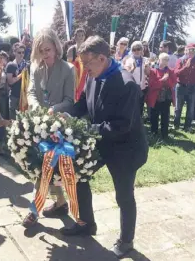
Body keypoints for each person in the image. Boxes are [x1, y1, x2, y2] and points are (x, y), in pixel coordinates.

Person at [68, 36, 148, 258]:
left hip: (125, 149)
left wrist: (88, 130)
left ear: (102, 58)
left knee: (123, 195)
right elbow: (84, 101)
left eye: (87, 63)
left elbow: (122, 126)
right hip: (102, 143)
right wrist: (66, 114)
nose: (84, 69)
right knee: (78, 175)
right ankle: (87, 223)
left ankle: (126, 241)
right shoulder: (94, 75)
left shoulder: (127, 84)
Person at [22, 27, 75, 228]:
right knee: (44, 168)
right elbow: (32, 92)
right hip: (38, 122)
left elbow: (70, 100)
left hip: (59, 124)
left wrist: (53, 110)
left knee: (45, 168)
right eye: (41, 50)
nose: (45, 54)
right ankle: (61, 203)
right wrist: (36, 108)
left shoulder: (68, 69)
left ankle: (33, 212)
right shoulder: (35, 68)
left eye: (48, 49)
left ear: (56, 47)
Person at [173, 43, 195, 131]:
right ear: (186, 50)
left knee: (191, 108)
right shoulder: (180, 60)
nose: (191, 52)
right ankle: (176, 125)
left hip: (193, 87)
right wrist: (185, 67)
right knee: (178, 107)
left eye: (193, 50)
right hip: (181, 86)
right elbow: (176, 73)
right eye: (189, 49)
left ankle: (187, 126)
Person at [146, 53, 177, 138]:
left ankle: (164, 134)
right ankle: (154, 132)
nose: (166, 61)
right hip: (155, 97)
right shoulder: (153, 71)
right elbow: (151, 85)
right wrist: (162, 80)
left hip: (166, 97)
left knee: (165, 116)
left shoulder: (170, 71)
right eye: (164, 59)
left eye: (167, 59)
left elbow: (174, 82)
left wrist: (167, 81)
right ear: (159, 60)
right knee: (154, 115)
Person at [122, 41, 151, 115]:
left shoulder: (145, 60)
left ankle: (138, 124)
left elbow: (148, 73)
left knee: (140, 107)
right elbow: (126, 74)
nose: (136, 51)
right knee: (130, 107)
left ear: (142, 50)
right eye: (134, 49)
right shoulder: (128, 60)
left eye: (138, 49)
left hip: (142, 87)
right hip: (131, 87)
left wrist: (147, 67)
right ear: (132, 51)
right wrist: (132, 68)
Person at [6, 42, 30, 119]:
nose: (21, 54)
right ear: (14, 52)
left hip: (25, 96)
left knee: (25, 120)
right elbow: (10, 81)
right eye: (19, 52)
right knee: (13, 120)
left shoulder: (27, 64)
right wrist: (21, 75)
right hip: (14, 96)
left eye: (23, 52)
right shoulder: (10, 65)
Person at [67, 28, 87, 102]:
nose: (81, 37)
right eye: (79, 35)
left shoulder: (87, 49)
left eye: (82, 35)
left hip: (85, 76)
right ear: (75, 37)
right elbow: (68, 65)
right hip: (74, 76)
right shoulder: (71, 50)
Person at [0, 51, 10, 119]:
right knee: (3, 113)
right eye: (2, 58)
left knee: (7, 111)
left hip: (6, 92)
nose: (4, 60)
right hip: (0, 92)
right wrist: (0, 70)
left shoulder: (6, 67)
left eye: (5, 58)